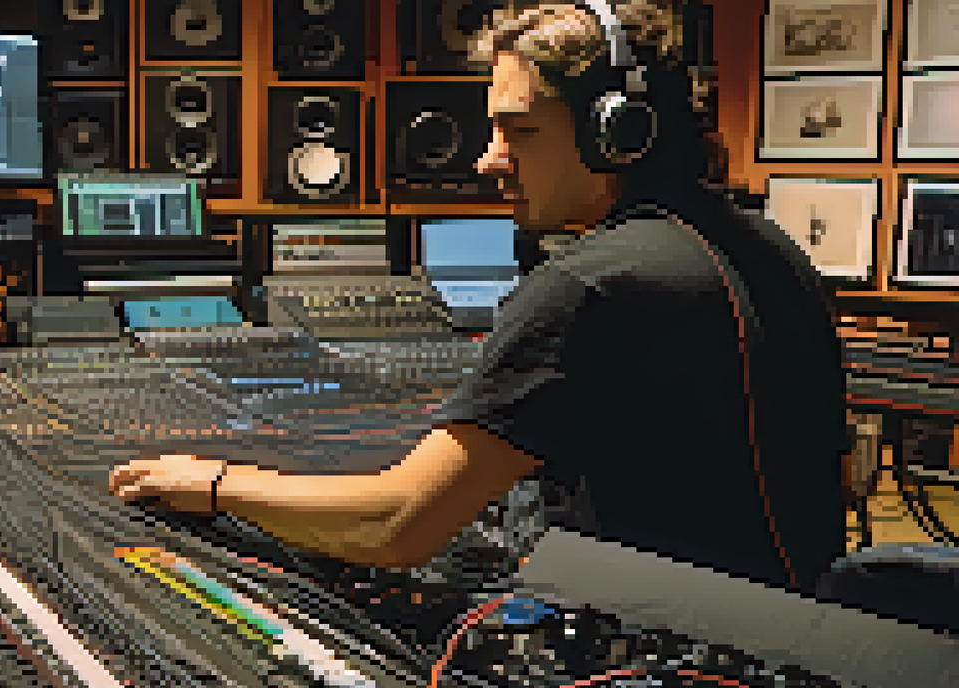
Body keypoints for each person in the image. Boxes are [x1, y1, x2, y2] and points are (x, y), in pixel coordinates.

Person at [109, 0, 849, 596]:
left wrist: (216, 483)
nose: (488, 158)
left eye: (518, 131)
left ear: (614, 135)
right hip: (790, 643)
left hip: (649, 671)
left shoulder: (590, 284)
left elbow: (396, 526)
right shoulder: (770, 248)